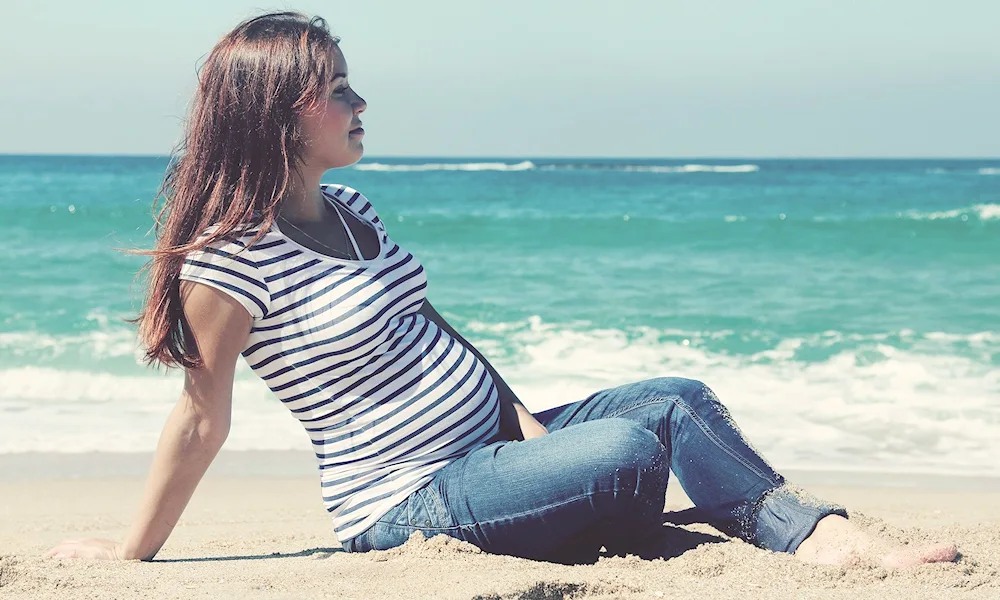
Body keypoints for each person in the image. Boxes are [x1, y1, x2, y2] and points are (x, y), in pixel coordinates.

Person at [46, 12, 957, 567]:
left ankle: (816, 536)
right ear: (280, 116)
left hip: (496, 449)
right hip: (410, 498)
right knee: (629, 453)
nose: (361, 103)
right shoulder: (229, 259)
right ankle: (694, 517)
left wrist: (522, 421)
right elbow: (201, 419)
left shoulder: (355, 207)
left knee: (676, 401)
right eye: (338, 91)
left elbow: (440, 333)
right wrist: (134, 553)